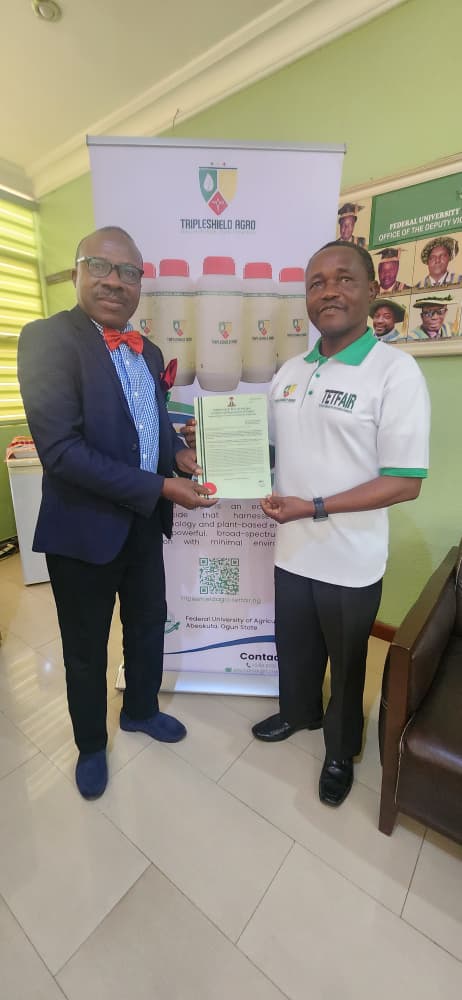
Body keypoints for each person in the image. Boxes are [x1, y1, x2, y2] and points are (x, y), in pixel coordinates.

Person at [18, 226, 216, 800]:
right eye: (100, 266)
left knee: (148, 622)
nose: (114, 280)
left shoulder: (148, 350)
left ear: (140, 284)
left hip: (141, 525)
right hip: (81, 529)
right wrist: (159, 486)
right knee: (85, 647)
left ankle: (141, 710)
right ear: (77, 271)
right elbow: (61, 452)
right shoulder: (46, 339)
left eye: (128, 272)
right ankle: (90, 745)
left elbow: (145, 434)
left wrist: (176, 458)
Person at [252, 241, 430, 807]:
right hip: (290, 551)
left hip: (351, 561)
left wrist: (316, 505)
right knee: (296, 652)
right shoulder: (289, 371)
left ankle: (339, 750)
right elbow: (271, 452)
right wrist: (207, 448)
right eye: (316, 282)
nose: (328, 290)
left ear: (373, 291)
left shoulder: (394, 373)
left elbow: (405, 481)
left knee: (349, 666)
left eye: (344, 279)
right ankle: (298, 714)